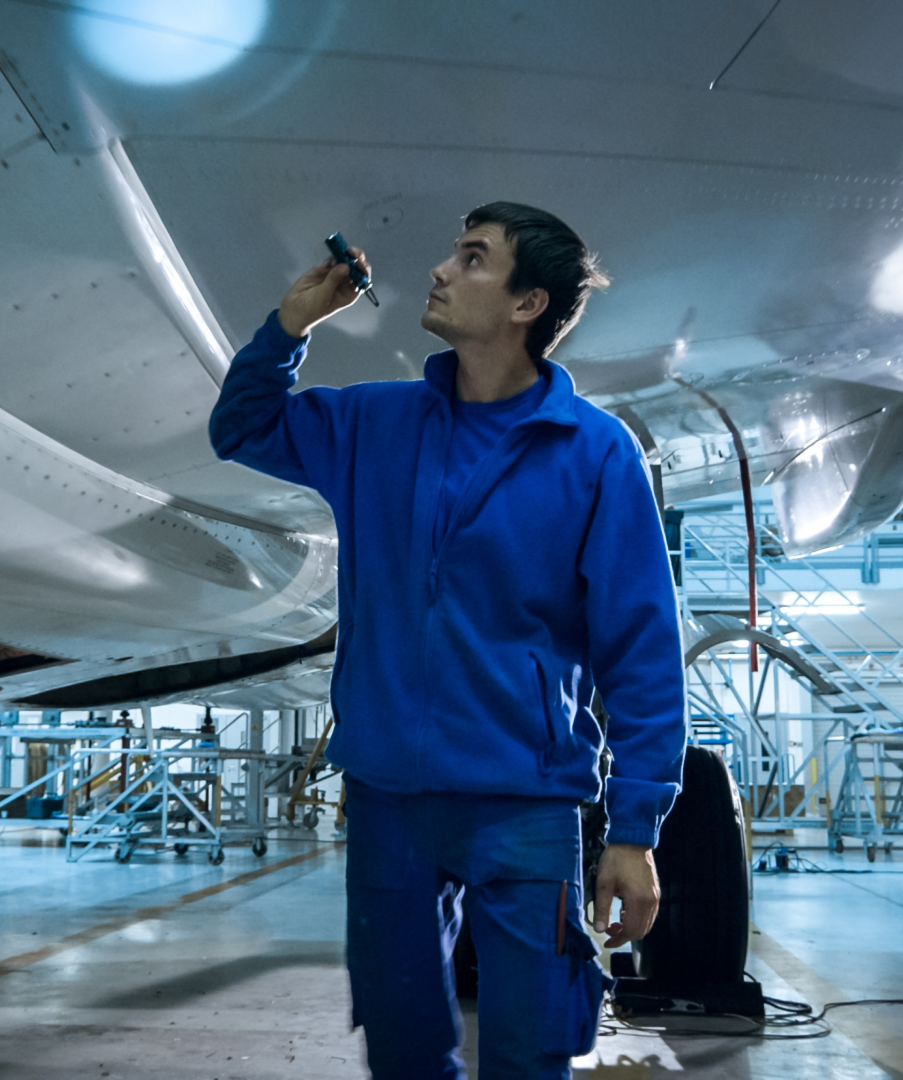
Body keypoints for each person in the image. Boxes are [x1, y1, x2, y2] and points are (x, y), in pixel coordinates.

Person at [209, 202, 685, 1079]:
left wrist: (635, 828)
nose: (440, 270)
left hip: (527, 804)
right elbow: (239, 428)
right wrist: (290, 326)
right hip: (390, 800)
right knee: (402, 1050)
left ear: (526, 305)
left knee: (528, 1050)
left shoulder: (595, 453)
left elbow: (642, 648)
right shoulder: (373, 427)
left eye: (472, 259)